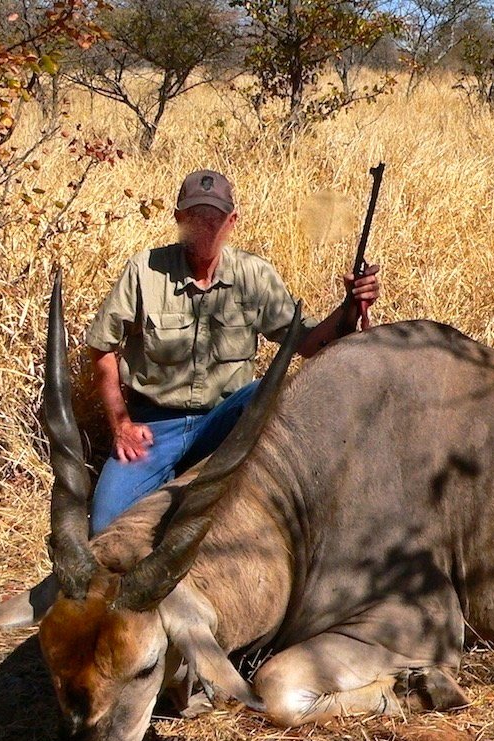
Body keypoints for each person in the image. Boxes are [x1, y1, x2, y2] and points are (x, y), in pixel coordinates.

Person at [84, 169, 379, 534]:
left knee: (265, 392)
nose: (207, 227)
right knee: (104, 527)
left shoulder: (253, 274)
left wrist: (350, 305)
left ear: (232, 221)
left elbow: (305, 342)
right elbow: (102, 347)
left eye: (216, 218)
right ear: (179, 219)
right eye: (197, 217)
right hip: (154, 428)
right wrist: (121, 424)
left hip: (224, 424)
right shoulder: (144, 270)